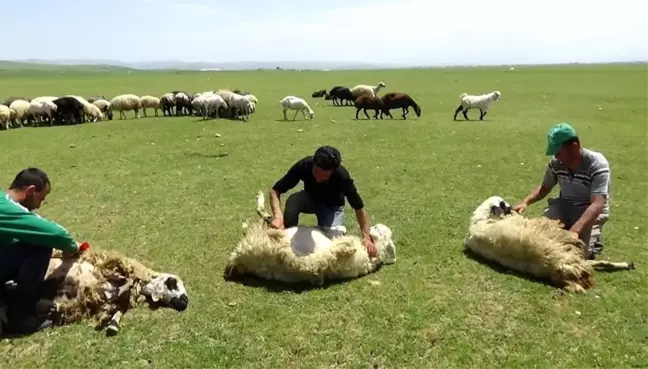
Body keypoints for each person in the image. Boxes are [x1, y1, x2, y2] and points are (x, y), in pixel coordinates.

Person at [0, 167, 82, 334]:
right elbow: (55, 234)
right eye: (41, 198)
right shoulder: (7, 209)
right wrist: (72, 247)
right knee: (40, 244)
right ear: (30, 191)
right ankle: (21, 318)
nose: (40, 204)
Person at [514, 123, 611, 259]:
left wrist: (575, 231)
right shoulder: (556, 163)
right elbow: (544, 188)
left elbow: (597, 203)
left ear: (574, 146)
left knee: (575, 255)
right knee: (537, 236)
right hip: (564, 206)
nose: (557, 157)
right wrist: (525, 202)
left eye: (559, 153)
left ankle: (591, 237)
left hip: (588, 211)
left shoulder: (597, 164)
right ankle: (570, 228)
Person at [269, 145, 377, 257]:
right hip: (310, 199)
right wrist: (278, 216)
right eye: (316, 172)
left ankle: (326, 231)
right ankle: (285, 237)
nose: (318, 178)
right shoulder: (304, 165)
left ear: (333, 171)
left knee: (333, 243)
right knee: (293, 201)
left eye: (325, 175)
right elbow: (275, 190)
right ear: (313, 164)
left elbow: (359, 207)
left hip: (332, 207)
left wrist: (366, 237)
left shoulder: (342, 176)